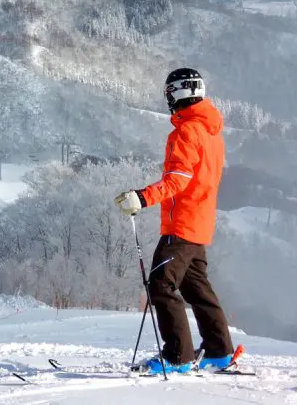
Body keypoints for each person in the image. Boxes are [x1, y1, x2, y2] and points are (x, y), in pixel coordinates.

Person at [115, 68, 237, 374]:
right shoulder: (211, 132)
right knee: (197, 289)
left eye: (169, 93)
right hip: (200, 223)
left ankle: (177, 355)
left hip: (182, 225)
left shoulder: (185, 132)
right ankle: (219, 350)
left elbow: (178, 180)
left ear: (180, 92)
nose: (167, 99)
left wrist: (142, 197)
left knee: (161, 284)